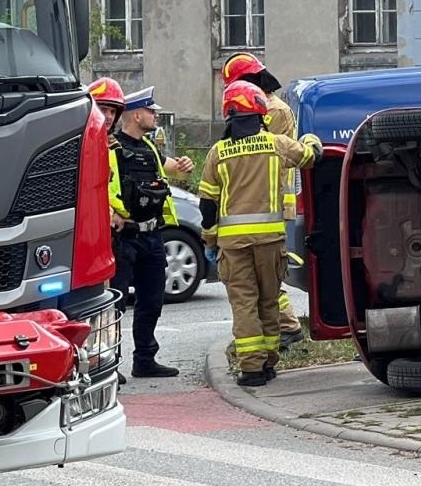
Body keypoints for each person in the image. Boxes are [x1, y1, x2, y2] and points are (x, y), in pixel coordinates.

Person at [198, 80, 322, 387]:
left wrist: (210, 241)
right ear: (260, 113)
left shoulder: (218, 153)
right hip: (270, 243)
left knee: (244, 305)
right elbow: (310, 157)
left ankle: (251, 369)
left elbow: (207, 205)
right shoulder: (276, 144)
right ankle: (268, 363)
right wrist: (311, 139)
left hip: (233, 246)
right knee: (269, 302)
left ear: (228, 114)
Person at [220, 52, 306, 348]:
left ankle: (287, 327)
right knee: (262, 278)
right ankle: (278, 330)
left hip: (270, 202)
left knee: (267, 279)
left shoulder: (273, 110)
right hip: (259, 202)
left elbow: (267, 152)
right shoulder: (265, 106)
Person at [108, 85, 195, 378]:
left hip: (152, 236)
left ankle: (144, 360)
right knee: (115, 304)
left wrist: (184, 165)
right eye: (150, 111)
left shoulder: (150, 148)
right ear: (135, 115)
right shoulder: (111, 148)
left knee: (152, 301)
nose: (155, 115)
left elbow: (173, 169)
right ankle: (109, 365)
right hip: (124, 238)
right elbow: (99, 184)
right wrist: (110, 212)